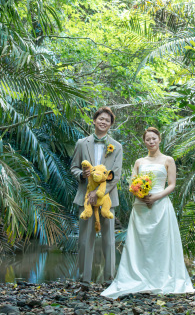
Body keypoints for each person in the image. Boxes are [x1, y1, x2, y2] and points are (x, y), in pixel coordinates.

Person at [101, 127, 195, 299]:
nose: (151, 141)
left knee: (160, 242)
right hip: (141, 206)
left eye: (154, 138)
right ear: (145, 142)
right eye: (148, 139)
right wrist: (140, 194)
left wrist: (156, 197)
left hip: (161, 206)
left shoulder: (168, 160)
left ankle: (162, 277)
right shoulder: (139, 162)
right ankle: (137, 277)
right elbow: (132, 183)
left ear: (159, 139)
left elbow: (171, 184)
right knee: (141, 243)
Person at [70, 107, 124, 282]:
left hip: (107, 199)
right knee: (85, 240)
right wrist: (81, 175)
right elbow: (74, 167)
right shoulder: (81, 143)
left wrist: (98, 193)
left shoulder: (117, 147)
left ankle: (109, 279)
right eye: (100, 119)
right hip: (85, 198)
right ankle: (84, 279)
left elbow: (115, 174)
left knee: (109, 240)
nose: (103, 122)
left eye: (107, 120)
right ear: (94, 121)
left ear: (110, 125)